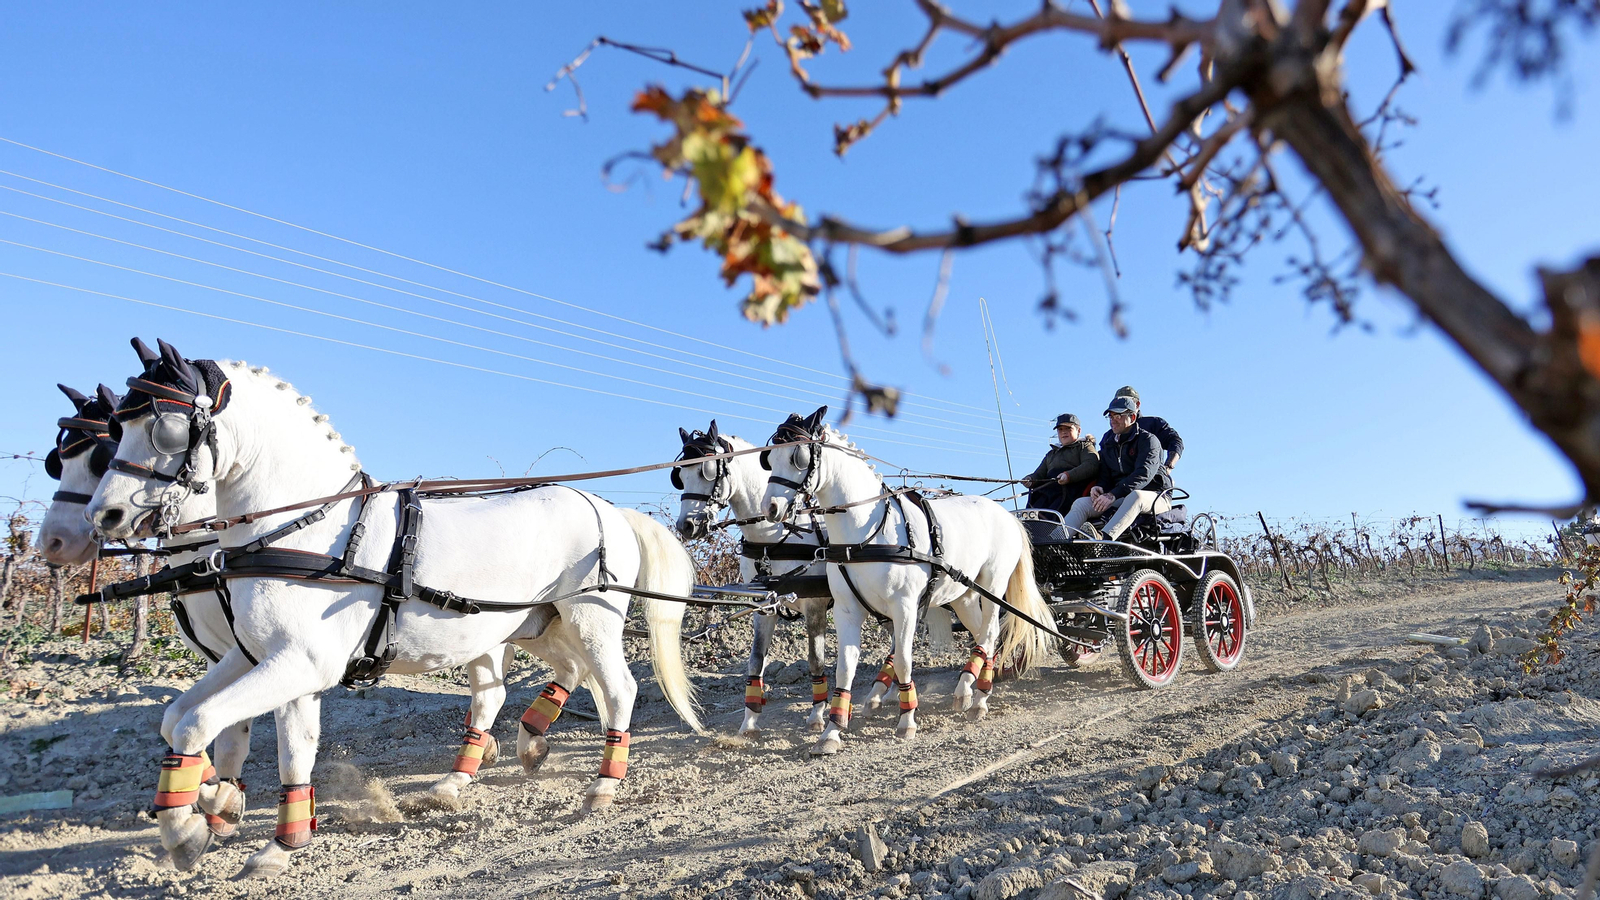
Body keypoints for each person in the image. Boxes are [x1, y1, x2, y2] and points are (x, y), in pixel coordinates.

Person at [1062, 396, 1173, 540]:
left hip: (1156, 496)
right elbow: (1105, 473)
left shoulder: (1149, 440)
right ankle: (1055, 542)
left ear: (1132, 417)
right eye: (1111, 416)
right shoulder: (1109, 443)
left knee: (1136, 496)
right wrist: (1100, 487)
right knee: (1081, 503)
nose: (1113, 420)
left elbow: (1143, 474)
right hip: (1122, 496)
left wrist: (1112, 494)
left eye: (1118, 415)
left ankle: (1103, 539)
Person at [1022, 414, 1099, 512]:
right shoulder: (1051, 454)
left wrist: (1068, 476)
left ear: (1078, 430)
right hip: (1049, 491)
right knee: (1033, 509)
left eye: (1068, 428)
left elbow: (1091, 465)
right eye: (1060, 429)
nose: (1064, 432)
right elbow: (1039, 473)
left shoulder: (1084, 447)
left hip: (1071, 490)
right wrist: (1030, 479)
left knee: (1052, 513)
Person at [1113, 386, 1182, 474]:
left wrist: (1168, 466)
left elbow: (1175, 441)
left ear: (1137, 404)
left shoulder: (1153, 424)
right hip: (1119, 484)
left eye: (1127, 402)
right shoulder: (1111, 435)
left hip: (1150, 482)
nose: (1123, 405)